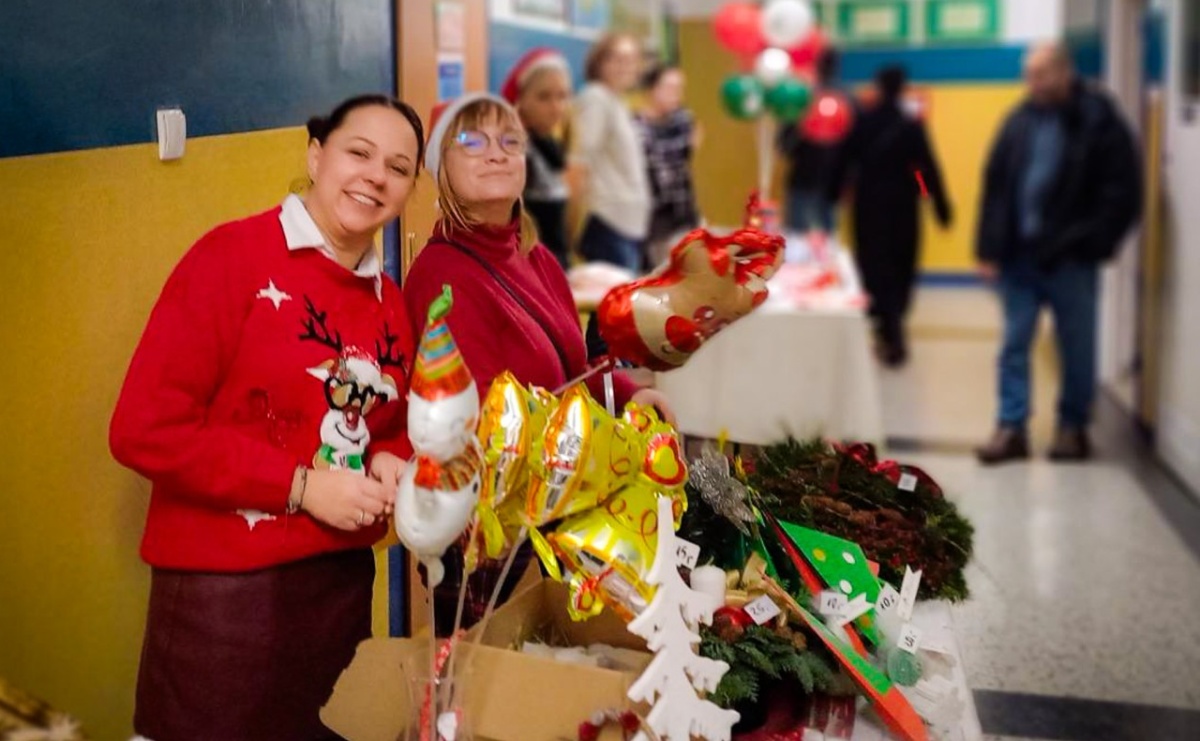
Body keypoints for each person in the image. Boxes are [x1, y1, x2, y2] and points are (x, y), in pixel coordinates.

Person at [109, 94, 425, 740]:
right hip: (222, 608)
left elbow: (384, 427)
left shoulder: (390, 301)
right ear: (315, 154)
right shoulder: (231, 258)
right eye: (357, 152)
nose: (375, 176)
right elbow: (144, 427)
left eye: (398, 167)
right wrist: (301, 485)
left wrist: (392, 458)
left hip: (338, 597)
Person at [402, 92, 673, 636]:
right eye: (471, 140)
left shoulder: (534, 256)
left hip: (558, 508)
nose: (495, 153)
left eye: (510, 142)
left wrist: (628, 392)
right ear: (440, 166)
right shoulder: (442, 276)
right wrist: (605, 447)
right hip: (498, 536)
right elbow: (478, 423)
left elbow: (572, 363)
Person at [974, 42, 1141, 464]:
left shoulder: (1098, 119)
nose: (1033, 83)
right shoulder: (1019, 120)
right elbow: (995, 185)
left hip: (1071, 258)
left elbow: (1123, 190)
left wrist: (1092, 243)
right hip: (1019, 255)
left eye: (1041, 74)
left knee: (1075, 345)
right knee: (1014, 343)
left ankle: (1072, 427)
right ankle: (1011, 428)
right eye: (1028, 75)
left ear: (1065, 72)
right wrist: (988, 247)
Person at [827, 64, 952, 367]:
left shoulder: (863, 121)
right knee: (901, 265)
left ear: (879, 87)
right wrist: (937, 204)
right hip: (903, 205)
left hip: (868, 205)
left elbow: (844, 161)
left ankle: (886, 328)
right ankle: (894, 325)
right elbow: (925, 168)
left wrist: (833, 193)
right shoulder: (911, 125)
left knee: (873, 266)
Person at [572, 32, 651, 273]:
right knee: (617, 308)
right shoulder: (596, 98)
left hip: (629, 224)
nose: (625, 67)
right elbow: (579, 161)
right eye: (616, 59)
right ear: (599, 62)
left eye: (631, 60)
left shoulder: (618, 101)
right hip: (607, 221)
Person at [503, 47, 574, 269]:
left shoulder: (548, 145)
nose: (556, 108)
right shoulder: (514, 151)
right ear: (520, 98)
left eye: (562, 96)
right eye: (544, 97)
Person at [636, 63, 702, 271]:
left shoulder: (683, 120)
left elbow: (682, 154)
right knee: (661, 276)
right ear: (652, 89)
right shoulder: (636, 125)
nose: (676, 95)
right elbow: (655, 160)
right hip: (653, 217)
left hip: (683, 210)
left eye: (680, 89)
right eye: (670, 88)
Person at [778, 48, 842, 233]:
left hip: (803, 176)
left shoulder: (801, 99)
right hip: (831, 179)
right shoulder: (845, 98)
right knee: (828, 239)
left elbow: (784, 144)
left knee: (798, 238)